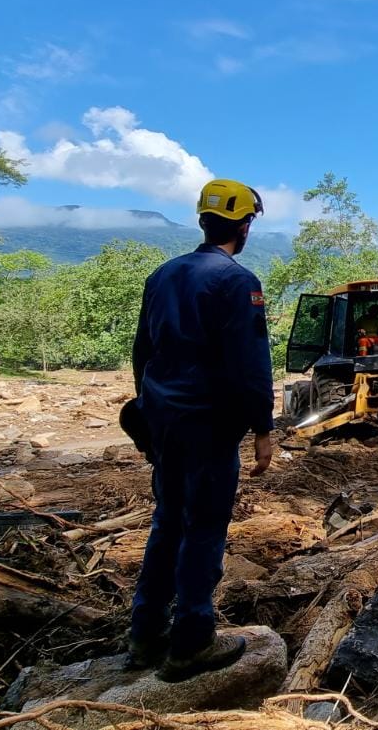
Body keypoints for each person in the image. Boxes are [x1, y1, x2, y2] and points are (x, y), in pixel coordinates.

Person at [128, 178, 275, 682]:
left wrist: (148, 410)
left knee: (167, 521)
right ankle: (191, 640)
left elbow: (142, 353)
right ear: (244, 223)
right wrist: (263, 428)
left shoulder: (163, 275)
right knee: (205, 527)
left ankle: (144, 634)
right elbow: (249, 364)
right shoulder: (238, 282)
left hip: (164, 420)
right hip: (210, 425)